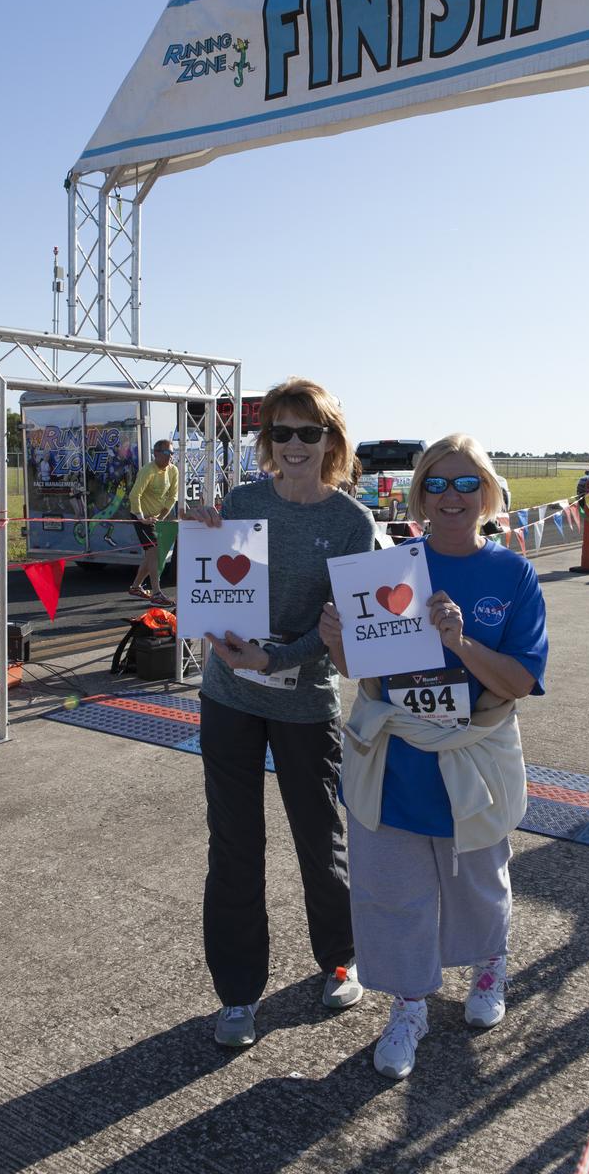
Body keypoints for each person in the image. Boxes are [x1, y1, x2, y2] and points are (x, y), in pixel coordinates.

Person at [319, 434, 547, 1080]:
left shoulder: (511, 573)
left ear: (488, 493)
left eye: (465, 483)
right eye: (437, 485)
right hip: (395, 754)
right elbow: (365, 672)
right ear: (418, 495)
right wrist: (339, 647)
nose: (452, 497)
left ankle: (488, 966)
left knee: (476, 879)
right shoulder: (389, 567)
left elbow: (521, 680)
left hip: (474, 755)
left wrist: (461, 642)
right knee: (394, 889)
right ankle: (409, 1004)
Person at [187, 378, 376, 1048]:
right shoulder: (241, 502)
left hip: (303, 703)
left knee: (319, 841)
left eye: (309, 432)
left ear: (331, 440)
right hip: (229, 696)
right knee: (234, 846)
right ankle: (238, 994)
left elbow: (341, 629)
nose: (294, 445)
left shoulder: (352, 523)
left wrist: (277, 659)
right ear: (266, 441)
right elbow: (212, 593)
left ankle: (338, 959)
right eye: (281, 433)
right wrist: (202, 548)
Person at [128, 439, 179, 605]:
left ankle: (136, 587)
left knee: (151, 554)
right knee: (155, 551)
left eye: (172, 453)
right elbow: (134, 495)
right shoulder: (147, 470)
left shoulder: (173, 471)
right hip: (140, 516)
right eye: (166, 453)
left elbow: (173, 497)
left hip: (155, 517)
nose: (170, 457)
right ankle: (156, 592)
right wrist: (141, 518)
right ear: (156, 453)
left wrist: (161, 518)